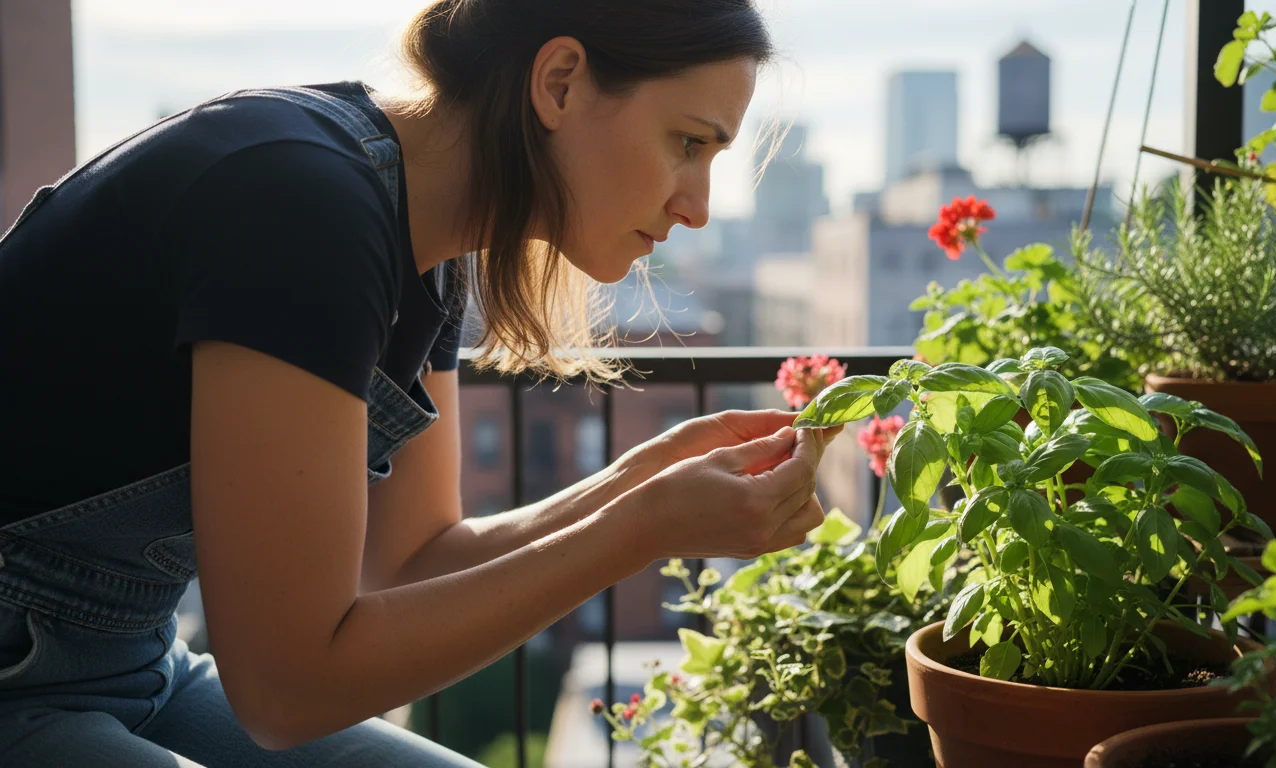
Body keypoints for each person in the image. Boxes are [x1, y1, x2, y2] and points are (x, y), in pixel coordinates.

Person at [0, 1, 841, 765]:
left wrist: (634, 482)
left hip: (134, 661)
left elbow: (409, 563)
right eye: (688, 143)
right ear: (559, 84)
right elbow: (286, 691)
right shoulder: (304, 207)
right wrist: (641, 528)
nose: (696, 205)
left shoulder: (421, 244)